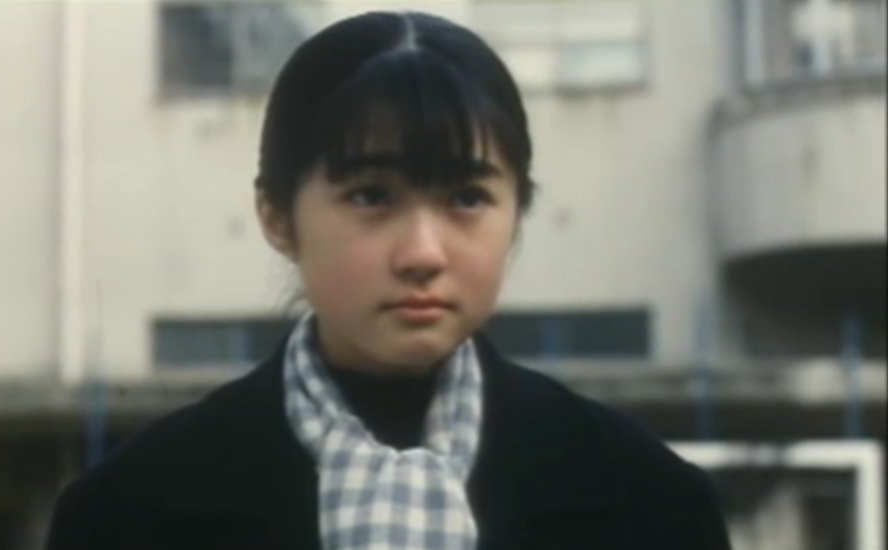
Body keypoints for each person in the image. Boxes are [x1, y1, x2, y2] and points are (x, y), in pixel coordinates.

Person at [46, 11, 732, 550]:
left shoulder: (651, 501)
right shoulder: (127, 513)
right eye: (371, 195)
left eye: (467, 197)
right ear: (277, 217)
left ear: (517, 210)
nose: (422, 253)